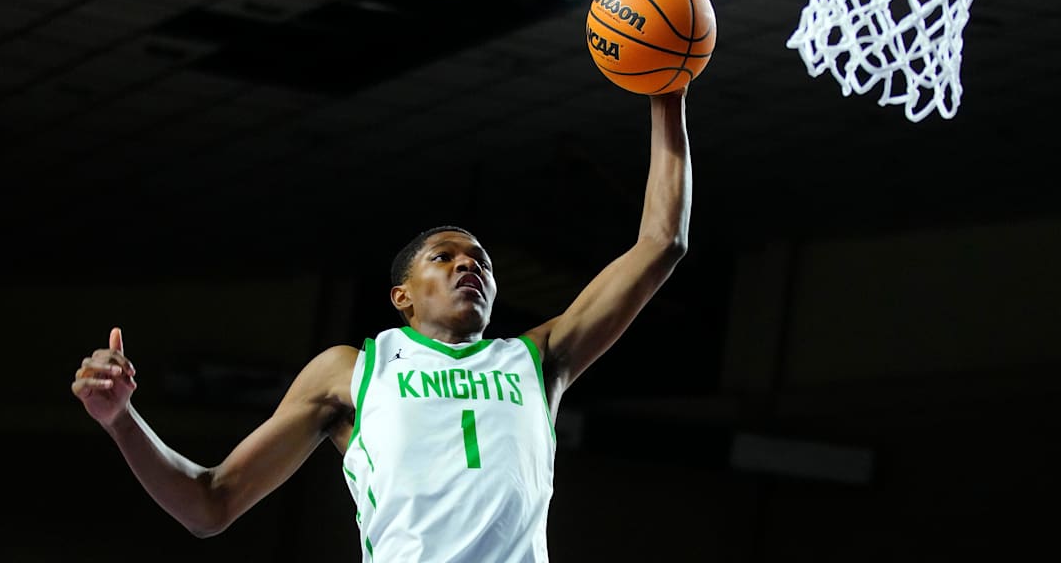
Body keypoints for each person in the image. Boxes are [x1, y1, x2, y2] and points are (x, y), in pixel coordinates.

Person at [71, 86, 693, 562]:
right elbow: (211, 503)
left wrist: (667, 93)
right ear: (402, 296)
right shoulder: (354, 370)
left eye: (479, 259)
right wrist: (121, 421)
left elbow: (661, 242)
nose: (466, 265)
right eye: (443, 257)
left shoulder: (539, 357)